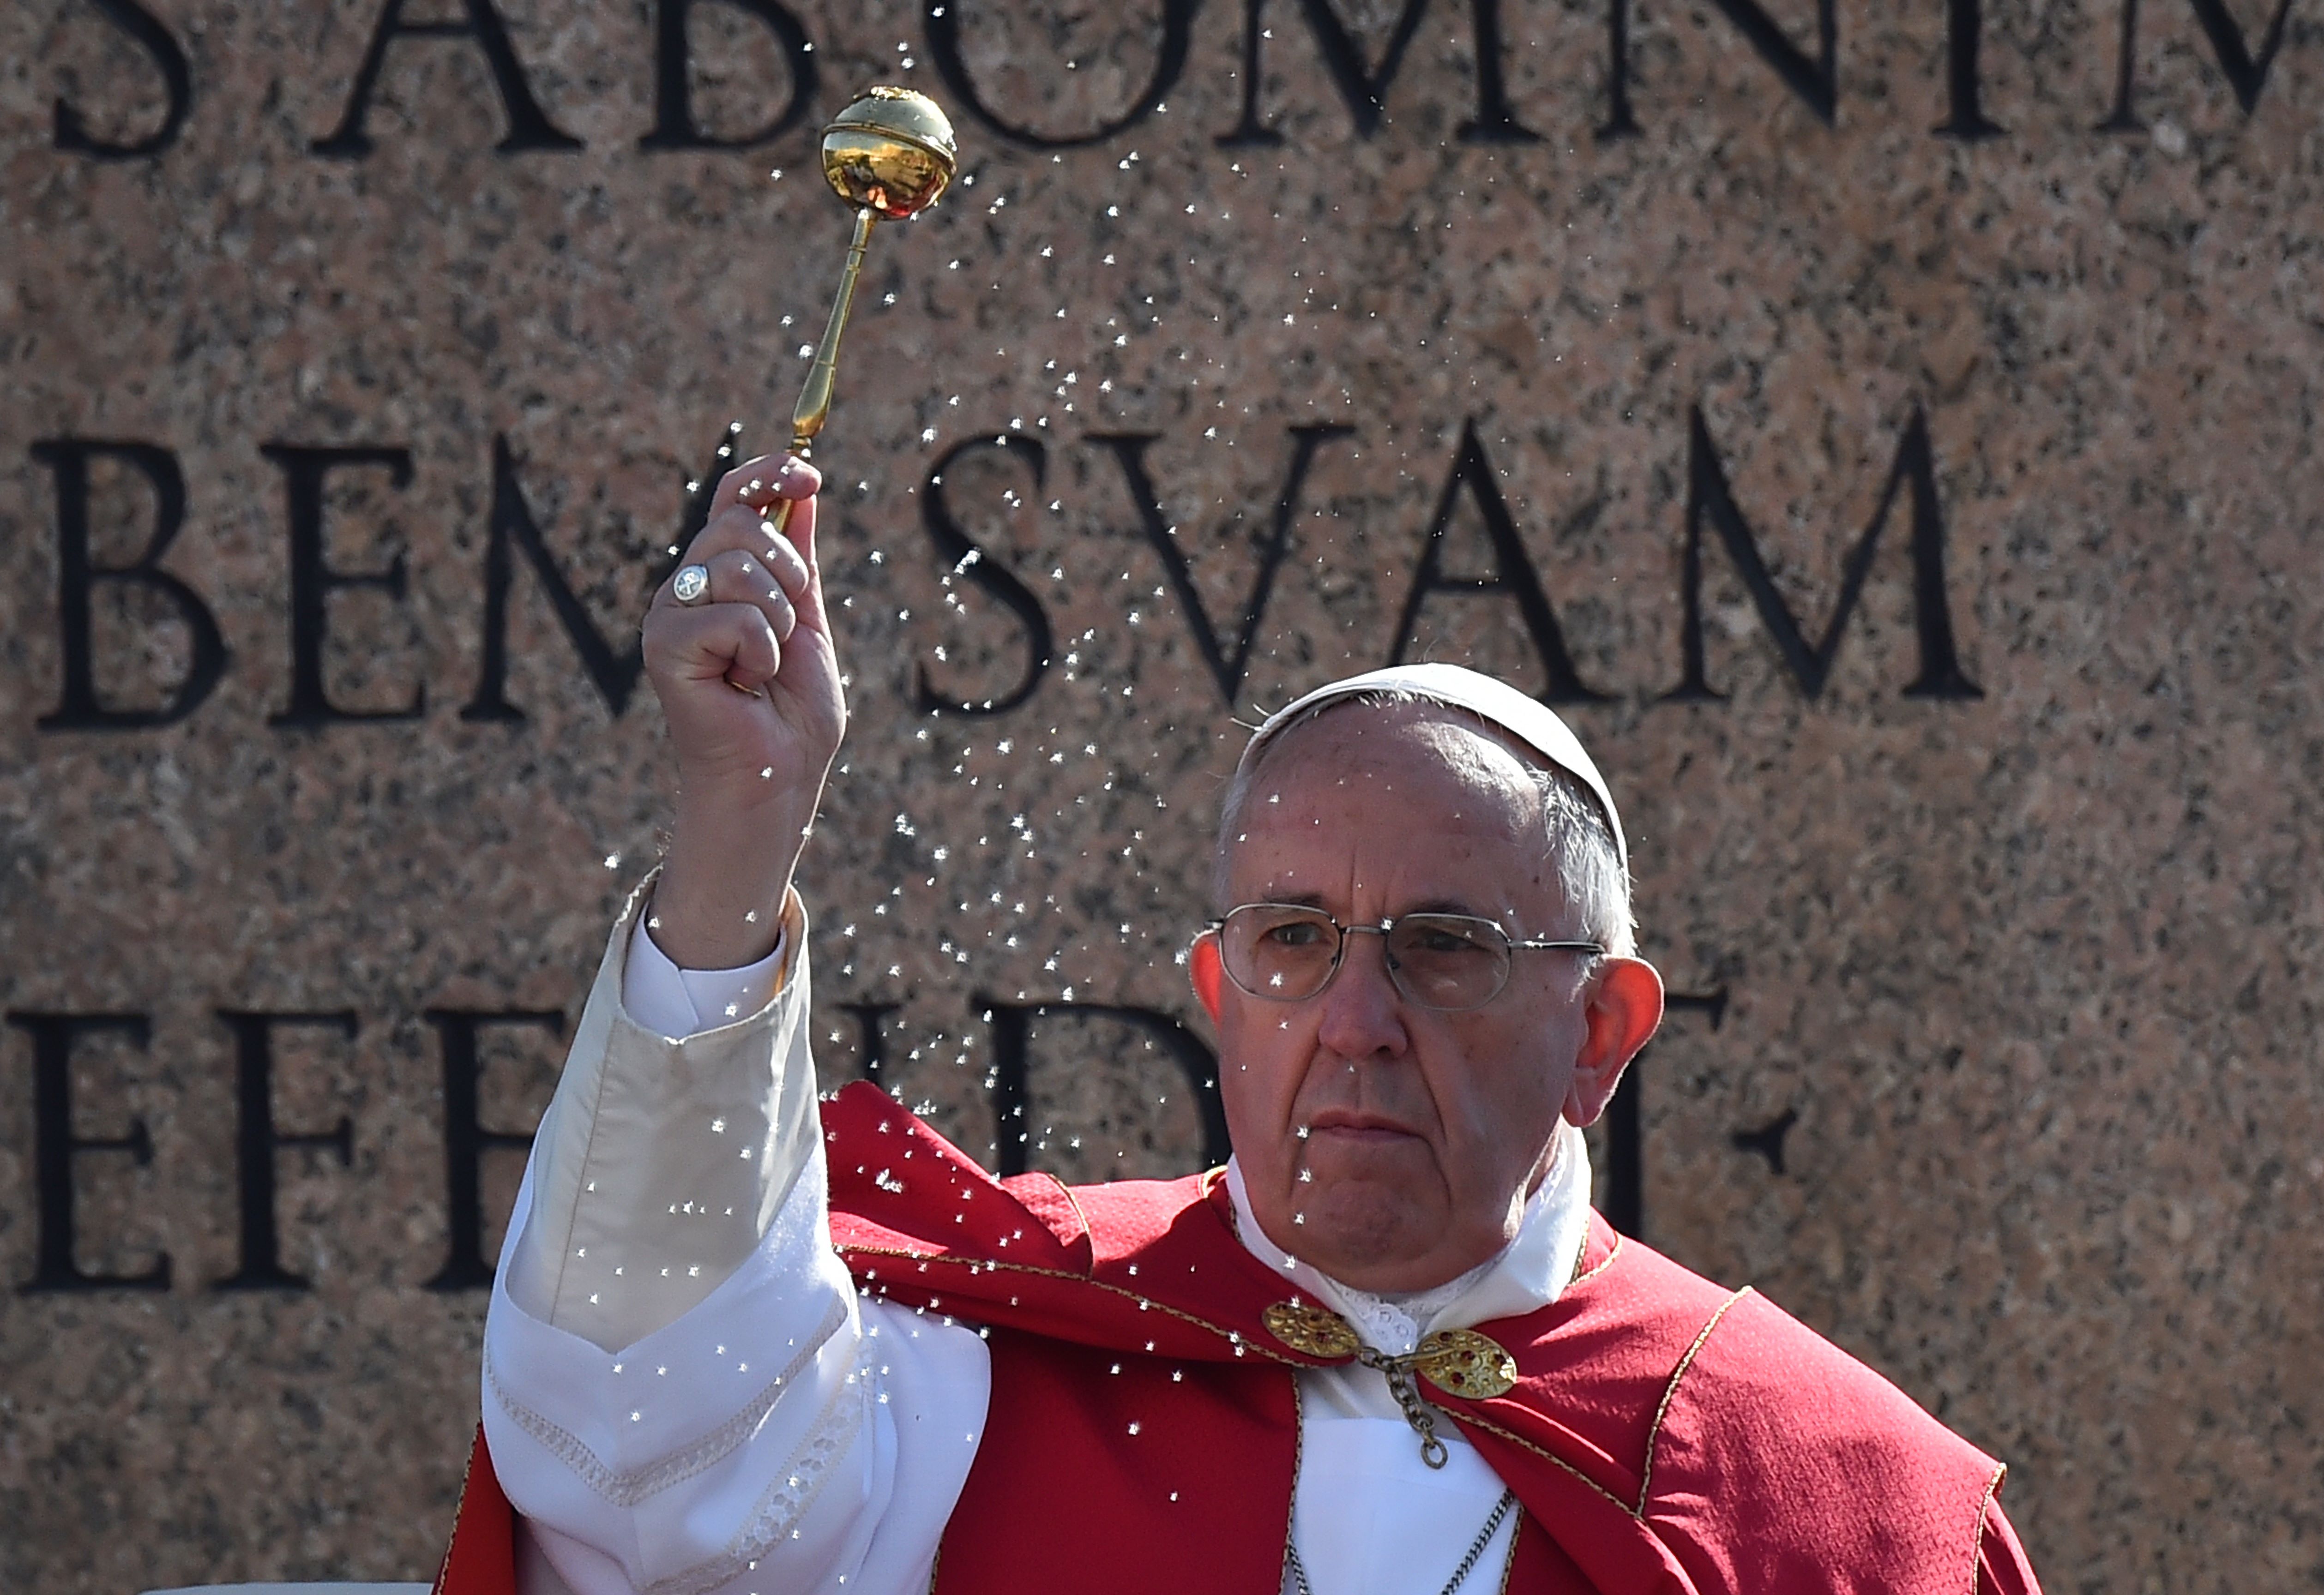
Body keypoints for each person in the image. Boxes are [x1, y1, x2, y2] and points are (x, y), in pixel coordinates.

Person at [434, 454, 2041, 1595]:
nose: (1353, 1019)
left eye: (1443, 948)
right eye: (1291, 943)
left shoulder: (1841, 1513)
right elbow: (635, 1452)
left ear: (1605, 1031)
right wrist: (734, 836)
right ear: (1216, 999)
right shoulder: (992, 1362)